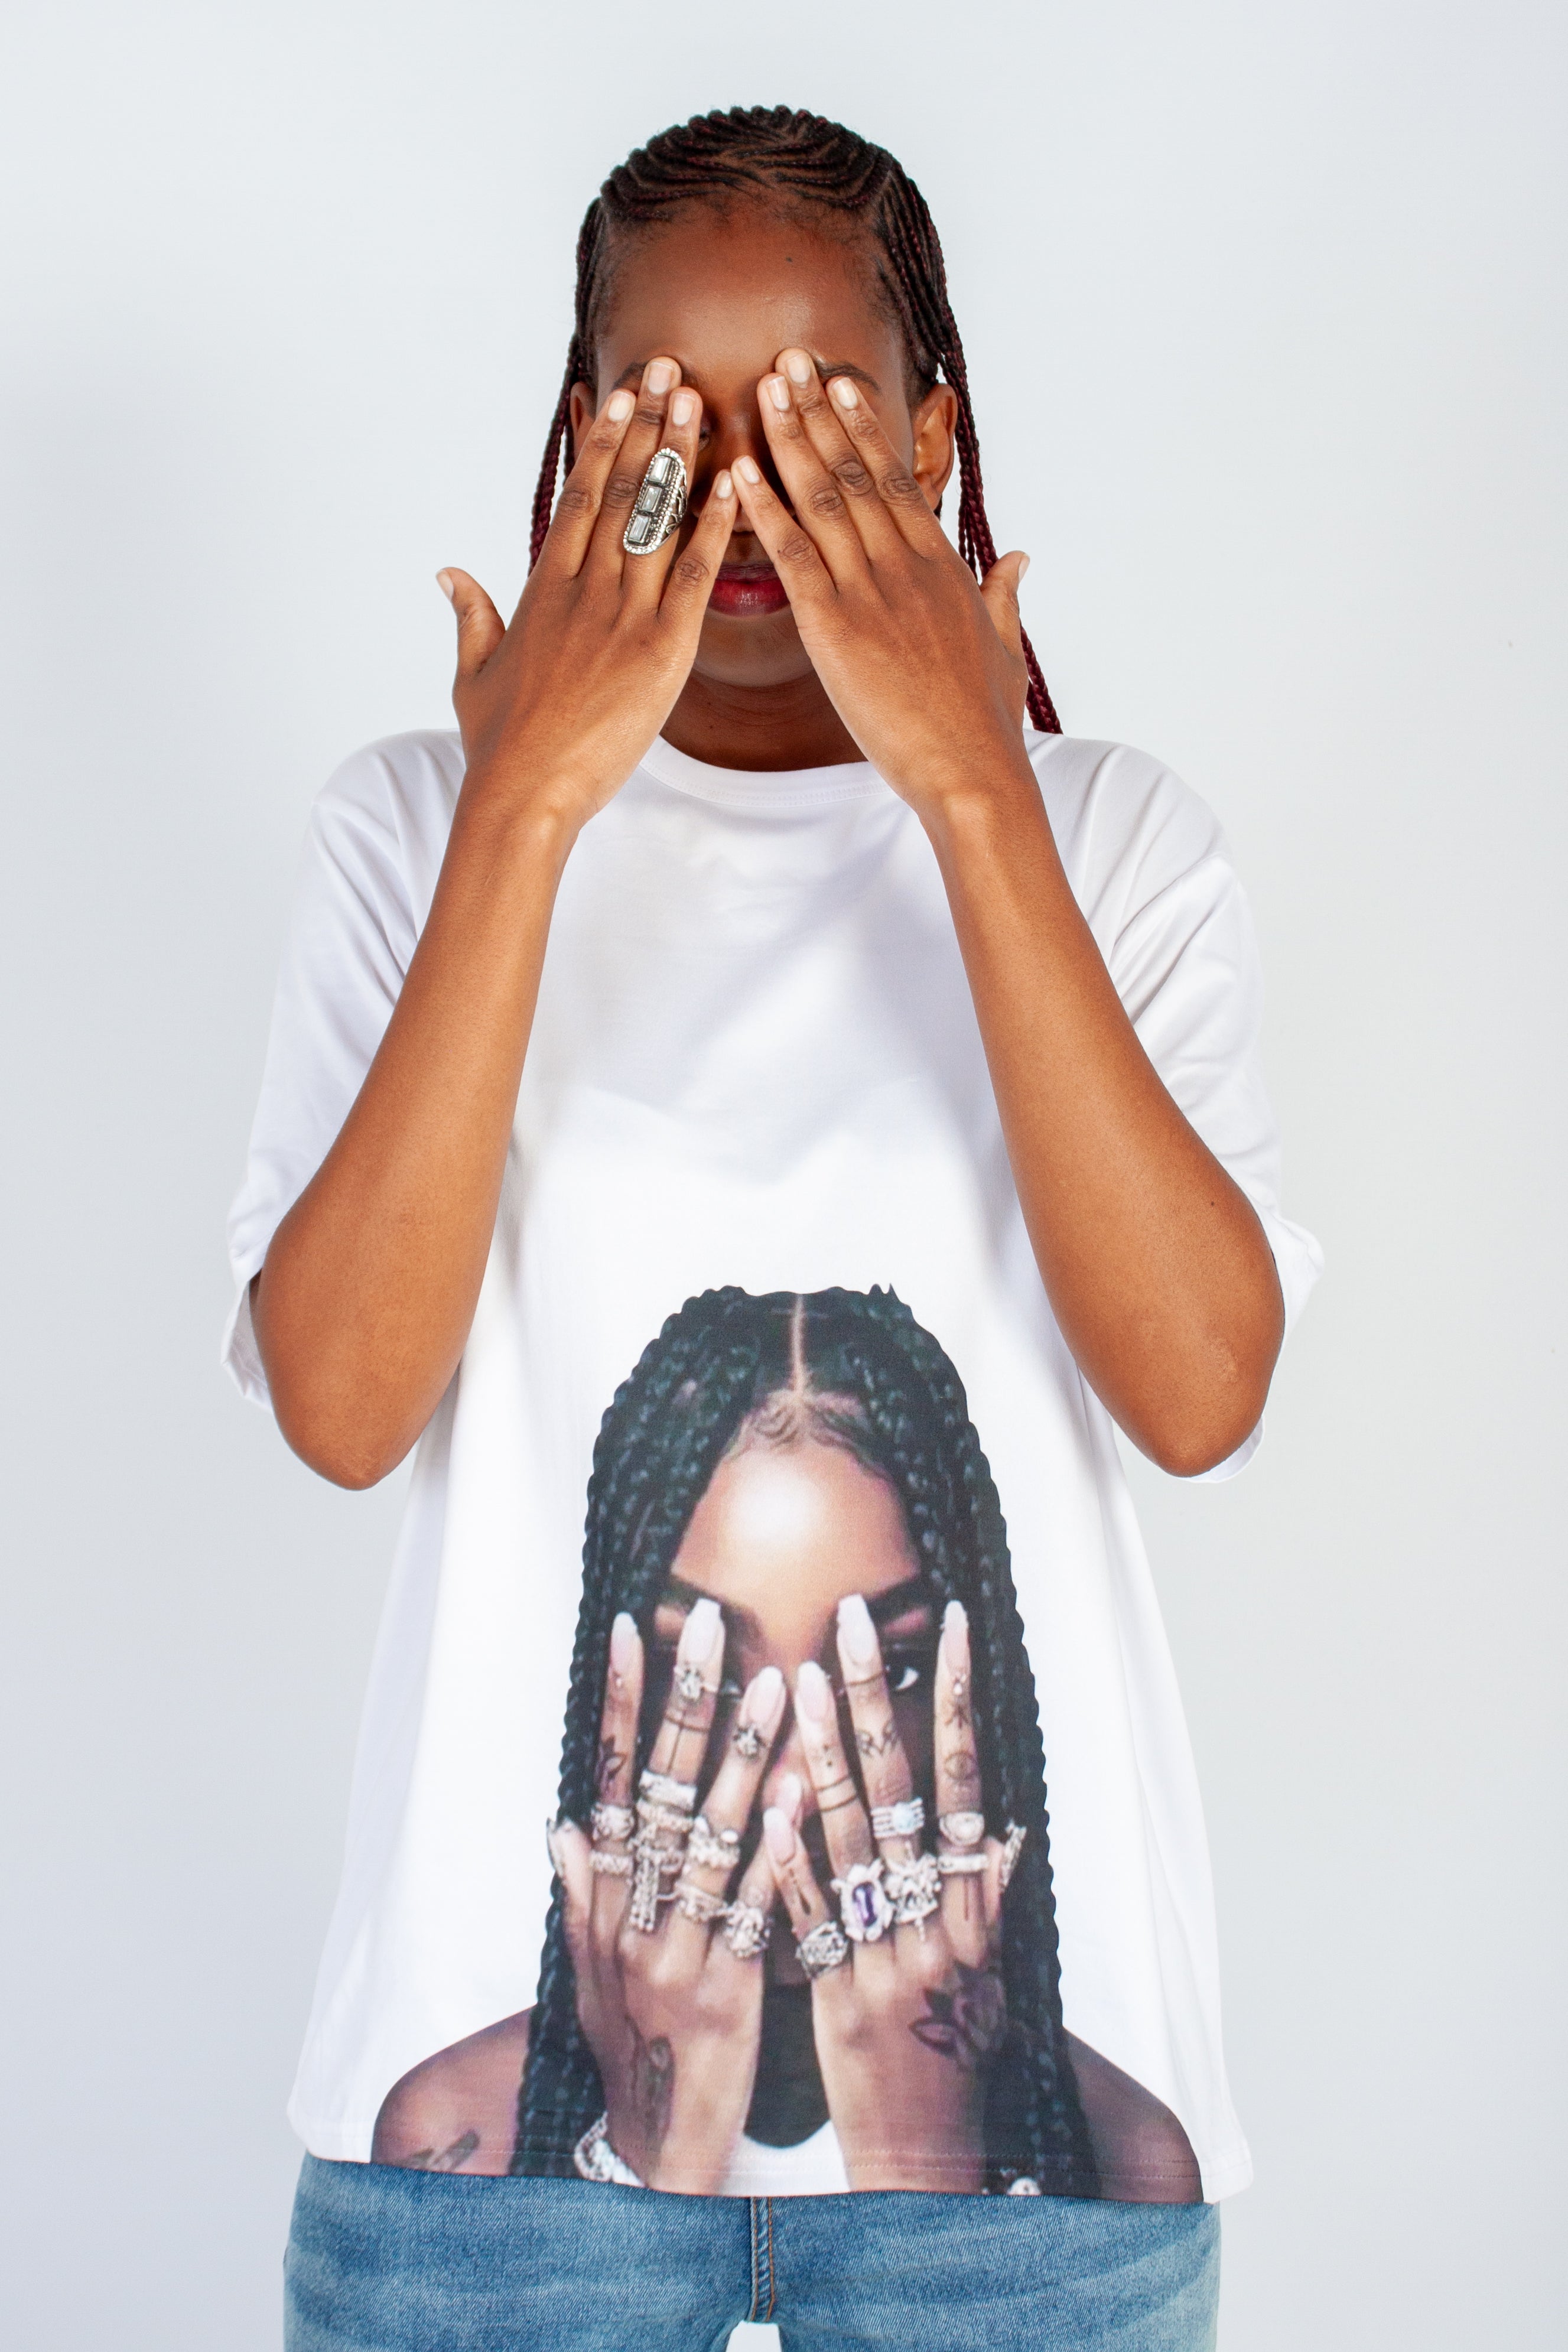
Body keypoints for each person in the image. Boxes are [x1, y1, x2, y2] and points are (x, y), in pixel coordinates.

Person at [229, 103, 1320, 2352]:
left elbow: (1202, 1392)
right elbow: (341, 1404)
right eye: (670, 423)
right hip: (494, 2193)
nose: (739, 497)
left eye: (815, 421)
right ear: (574, 448)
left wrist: (971, 791)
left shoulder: (1113, 842)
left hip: (1020, 2195)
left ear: (932, 445)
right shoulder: (419, 830)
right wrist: (529, 802)